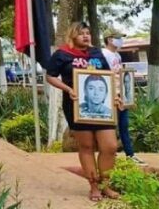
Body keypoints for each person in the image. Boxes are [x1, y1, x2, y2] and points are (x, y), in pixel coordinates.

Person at [46, 22, 121, 202]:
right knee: (86, 147)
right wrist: (68, 89)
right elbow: (50, 76)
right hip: (77, 106)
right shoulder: (61, 54)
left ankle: (106, 185)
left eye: (88, 33)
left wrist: (115, 96)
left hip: (103, 108)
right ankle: (94, 186)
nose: (86, 36)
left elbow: (108, 77)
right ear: (72, 36)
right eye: (81, 34)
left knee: (110, 146)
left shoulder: (96, 53)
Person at [101, 29, 145, 165]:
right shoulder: (104, 54)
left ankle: (130, 155)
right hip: (111, 97)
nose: (121, 40)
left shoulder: (117, 56)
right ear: (109, 39)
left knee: (124, 126)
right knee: (111, 128)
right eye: (118, 38)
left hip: (122, 96)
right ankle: (110, 156)